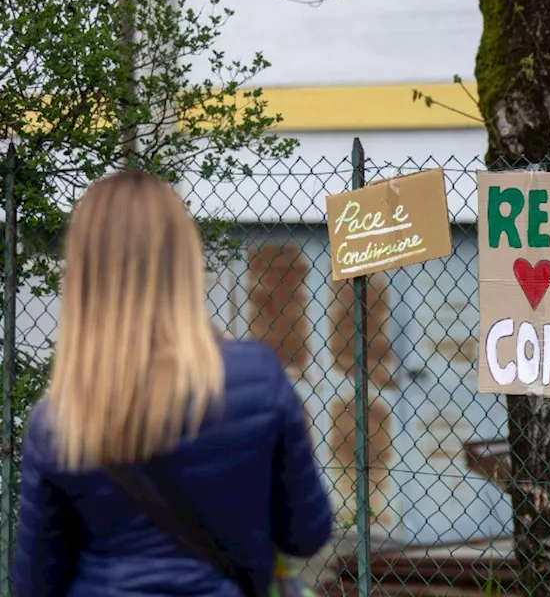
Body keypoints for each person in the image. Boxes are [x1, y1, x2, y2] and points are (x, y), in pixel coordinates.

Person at [11, 170, 334, 596]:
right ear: (184, 260)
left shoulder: (57, 418)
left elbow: (34, 585)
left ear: (83, 274)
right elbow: (307, 534)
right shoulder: (258, 377)